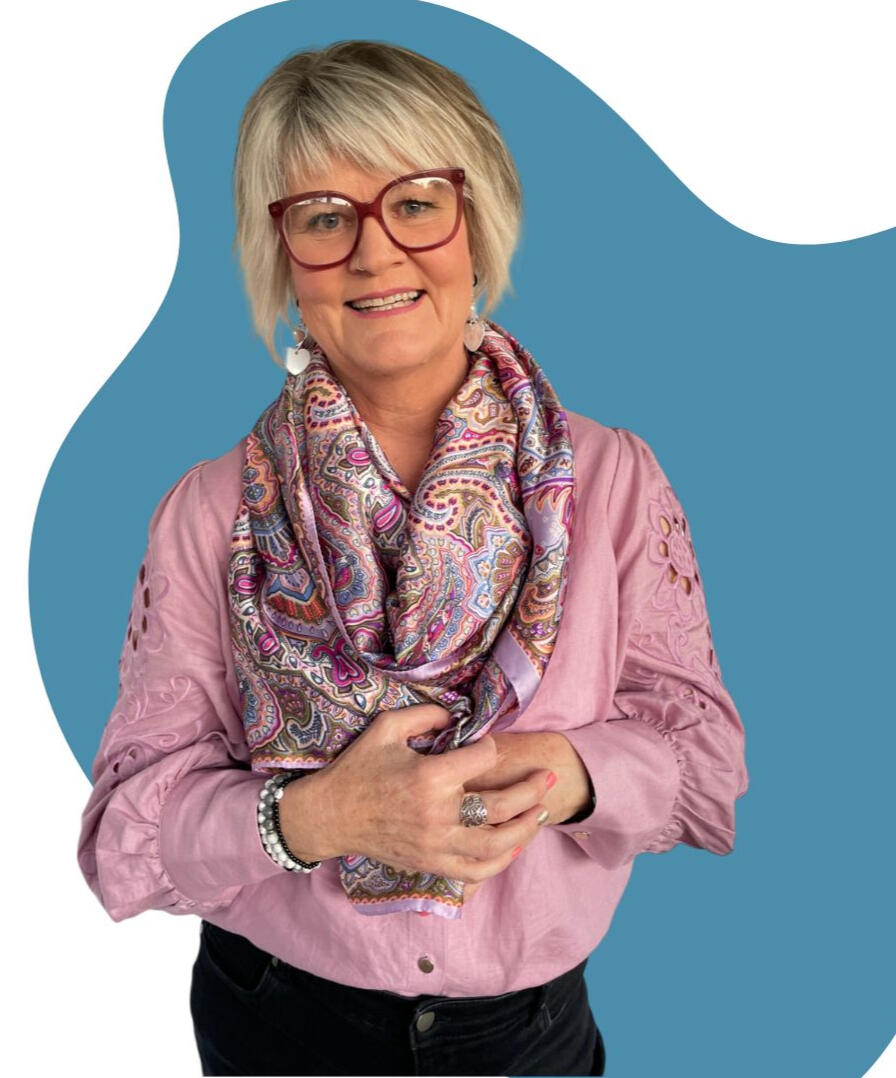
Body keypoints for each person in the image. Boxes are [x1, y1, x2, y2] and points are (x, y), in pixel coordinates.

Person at [77, 40, 748, 1077]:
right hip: (278, 1020)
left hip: (527, 1035)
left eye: (416, 203)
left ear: (478, 223)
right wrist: (316, 817)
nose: (374, 252)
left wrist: (570, 775)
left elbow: (703, 763)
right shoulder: (211, 512)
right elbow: (124, 834)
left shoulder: (611, 482)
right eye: (323, 218)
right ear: (280, 258)